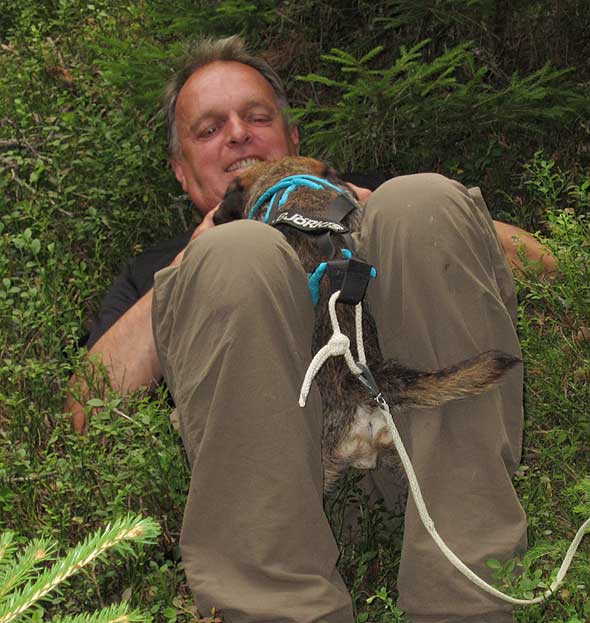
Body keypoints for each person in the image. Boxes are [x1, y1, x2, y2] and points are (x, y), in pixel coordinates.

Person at [66, 35, 553, 622]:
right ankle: (277, 608)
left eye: (256, 117)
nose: (238, 134)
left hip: (418, 456)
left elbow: (546, 265)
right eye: (209, 128)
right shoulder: (155, 267)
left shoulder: (366, 198)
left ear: (293, 139)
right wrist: (196, 256)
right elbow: (86, 407)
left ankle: (469, 598)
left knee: (420, 197)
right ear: (181, 169)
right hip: (285, 500)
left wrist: (368, 208)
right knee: (236, 253)